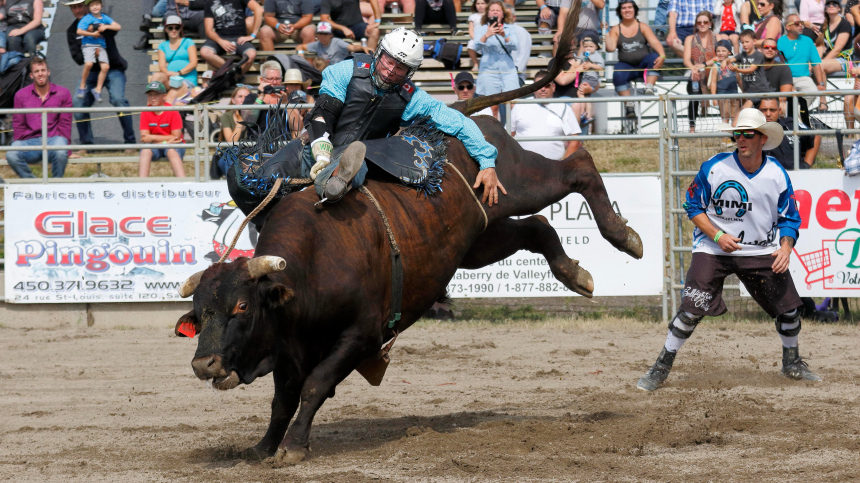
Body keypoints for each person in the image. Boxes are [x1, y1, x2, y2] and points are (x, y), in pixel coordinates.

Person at [636, 107, 820, 392]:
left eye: (748, 134)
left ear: (762, 138)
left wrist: (785, 248)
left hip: (759, 250)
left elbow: (789, 219)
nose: (741, 139)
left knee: (791, 311)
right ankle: (660, 367)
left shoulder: (776, 174)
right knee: (691, 309)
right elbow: (693, 206)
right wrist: (718, 234)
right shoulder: (715, 166)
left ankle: (792, 363)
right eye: (737, 134)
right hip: (713, 248)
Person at [301, 27, 505, 205]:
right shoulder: (346, 70)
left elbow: (459, 123)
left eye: (400, 68)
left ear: (410, 71)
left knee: (351, 168)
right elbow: (323, 112)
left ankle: (333, 183)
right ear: (379, 53)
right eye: (389, 61)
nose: (390, 71)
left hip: (360, 157)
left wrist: (487, 161)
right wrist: (321, 147)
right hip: (317, 144)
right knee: (272, 170)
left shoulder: (413, 98)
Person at [63, 0, 136, 155]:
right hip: (90, 73)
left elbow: (115, 29)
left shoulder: (101, 18)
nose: (77, 10)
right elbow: (77, 58)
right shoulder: (72, 31)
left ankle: (130, 142)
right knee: (78, 102)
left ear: (87, 6)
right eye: (73, 7)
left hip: (113, 69)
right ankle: (86, 144)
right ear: (70, 9)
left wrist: (102, 27)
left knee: (118, 99)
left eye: (80, 6)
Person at [7, 57, 72, 179]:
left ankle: (56, 185)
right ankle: (34, 185)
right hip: (29, 141)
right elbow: (18, 124)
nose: (40, 74)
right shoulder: (21, 95)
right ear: (31, 75)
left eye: (43, 70)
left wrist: (67, 150)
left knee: (60, 151)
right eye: (37, 71)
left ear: (48, 72)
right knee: (11, 155)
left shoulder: (63, 93)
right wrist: (16, 147)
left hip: (54, 139)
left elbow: (65, 124)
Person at [606, 0, 666, 111]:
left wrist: (662, 56)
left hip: (643, 64)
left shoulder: (642, 26)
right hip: (626, 65)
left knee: (654, 57)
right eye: (624, 8)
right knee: (618, 73)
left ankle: (649, 88)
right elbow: (610, 49)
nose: (627, 10)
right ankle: (629, 106)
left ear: (635, 10)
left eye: (630, 7)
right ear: (620, 11)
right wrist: (606, 34)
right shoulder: (615, 29)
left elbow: (655, 42)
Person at [510, 69, 580, 160]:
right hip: (523, 164)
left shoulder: (564, 108)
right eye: (539, 86)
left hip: (554, 166)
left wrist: (564, 165)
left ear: (553, 87)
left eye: (547, 86)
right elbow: (508, 136)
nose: (543, 89)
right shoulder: (520, 106)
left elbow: (575, 140)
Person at [474, 0, 518, 124]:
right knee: (492, 106)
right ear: (488, 14)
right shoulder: (481, 29)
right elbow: (475, 47)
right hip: (488, 70)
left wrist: (505, 35)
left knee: (512, 104)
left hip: (507, 70)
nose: (495, 12)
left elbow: (515, 46)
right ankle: (494, 135)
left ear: (503, 14)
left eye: (498, 10)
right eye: (492, 10)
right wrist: (486, 35)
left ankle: (511, 132)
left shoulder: (510, 28)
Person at [778, 14, 827, 110]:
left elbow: (816, 64)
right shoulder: (780, 42)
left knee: (812, 91)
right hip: (785, 78)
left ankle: (797, 115)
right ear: (788, 27)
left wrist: (820, 83)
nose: (801, 26)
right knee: (782, 100)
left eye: (801, 23)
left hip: (803, 78)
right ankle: (796, 116)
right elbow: (779, 64)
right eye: (797, 23)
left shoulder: (807, 41)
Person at [200, 0, 263, 74]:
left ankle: (234, 76)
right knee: (205, 52)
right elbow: (208, 30)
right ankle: (231, 73)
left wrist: (253, 35)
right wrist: (221, 41)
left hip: (239, 37)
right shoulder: (209, 2)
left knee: (251, 55)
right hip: (220, 37)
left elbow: (259, 9)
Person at [139, 81, 186, 178]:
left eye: (156, 94)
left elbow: (176, 137)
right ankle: (141, 184)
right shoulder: (145, 112)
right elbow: (145, 138)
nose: (152, 97)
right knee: (145, 151)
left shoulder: (173, 111)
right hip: (158, 144)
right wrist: (165, 142)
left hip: (173, 145)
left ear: (164, 96)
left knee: (171, 151)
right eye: (150, 95)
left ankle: (183, 183)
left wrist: (153, 138)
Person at [76, 0, 119, 103]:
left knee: (105, 67)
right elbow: (79, 31)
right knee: (89, 64)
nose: (95, 7)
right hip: (89, 45)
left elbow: (117, 26)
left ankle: (97, 89)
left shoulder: (104, 18)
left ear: (101, 6)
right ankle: (82, 86)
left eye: (97, 4)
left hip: (101, 46)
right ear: (88, 8)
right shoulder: (87, 18)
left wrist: (106, 26)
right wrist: (92, 34)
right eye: (92, 5)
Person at [759, 97, 820, 170]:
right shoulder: (752, 131)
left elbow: (816, 135)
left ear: (779, 111)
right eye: (764, 110)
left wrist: (806, 165)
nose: (768, 114)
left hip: (794, 176)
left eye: (772, 110)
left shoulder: (791, 126)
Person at [683, 10, 716, 132]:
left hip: (713, 73)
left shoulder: (717, 38)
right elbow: (686, 59)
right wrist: (693, 69)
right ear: (696, 24)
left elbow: (719, 57)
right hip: (697, 73)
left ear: (710, 23)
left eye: (705, 22)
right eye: (699, 22)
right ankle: (692, 128)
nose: (702, 24)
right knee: (693, 95)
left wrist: (703, 65)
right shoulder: (689, 39)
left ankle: (727, 128)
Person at [726, 29, 773, 108]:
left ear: (754, 41)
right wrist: (726, 62)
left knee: (746, 111)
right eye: (742, 42)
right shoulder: (742, 55)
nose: (744, 45)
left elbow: (751, 70)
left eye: (747, 42)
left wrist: (736, 69)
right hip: (749, 92)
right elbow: (730, 59)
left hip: (760, 91)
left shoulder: (758, 55)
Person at [299, 21, 371, 65]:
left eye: (326, 34)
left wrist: (362, 47)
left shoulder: (337, 42)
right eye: (320, 34)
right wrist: (301, 56)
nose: (323, 36)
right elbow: (300, 47)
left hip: (340, 72)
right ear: (317, 35)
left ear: (331, 34)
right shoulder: (317, 44)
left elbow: (352, 47)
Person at [569, 32, 603, 126]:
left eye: (591, 46)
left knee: (580, 92)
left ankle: (582, 112)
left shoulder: (596, 55)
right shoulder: (584, 55)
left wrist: (590, 65)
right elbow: (578, 60)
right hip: (585, 77)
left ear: (596, 47)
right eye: (586, 46)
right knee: (586, 96)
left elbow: (601, 67)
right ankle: (588, 115)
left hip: (591, 78)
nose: (588, 48)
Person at [157, 15, 199, 87]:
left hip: (187, 79)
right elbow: (162, 66)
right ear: (166, 29)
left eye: (177, 28)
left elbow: (194, 63)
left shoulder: (188, 42)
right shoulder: (162, 46)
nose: (174, 30)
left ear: (180, 29)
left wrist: (178, 73)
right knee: (156, 76)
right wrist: (169, 74)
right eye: (170, 28)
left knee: (173, 91)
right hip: (170, 78)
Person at [707, 39, 739, 123]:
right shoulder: (716, 66)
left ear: (729, 52)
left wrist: (744, 91)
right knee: (725, 117)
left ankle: (734, 135)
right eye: (718, 51)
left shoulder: (734, 65)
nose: (721, 53)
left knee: (735, 117)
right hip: (722, 96)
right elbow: (713, 82)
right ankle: (725, 135)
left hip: (734, 95)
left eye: (723, 51)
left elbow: (739, 79)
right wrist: (714, 98)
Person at [761, 37, 793, 115]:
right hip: (757, 104)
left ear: (776, 52)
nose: (770, 49)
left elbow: (784, 96)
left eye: (773, 48)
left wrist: (767, 105)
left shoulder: (783, 68)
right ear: (761, 50)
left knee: (784, 107)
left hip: (775, 103)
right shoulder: (753, 68)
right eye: (766, 47)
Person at [506, 5, 531, 85]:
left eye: (508, 15)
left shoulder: (521, 32)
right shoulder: (494, 31)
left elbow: (524, 54)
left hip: (516, 76)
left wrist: (514, 71)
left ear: (514, 17)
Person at [467, 0, 487, 71]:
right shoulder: (473, 16)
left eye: (482, 3)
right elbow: (471, 30)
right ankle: (475, 63)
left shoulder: (490, 16)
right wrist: (475, 39)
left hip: (488, 37)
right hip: (476, 38)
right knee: (470, 45)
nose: (480, 5)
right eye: (478, 3)